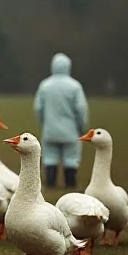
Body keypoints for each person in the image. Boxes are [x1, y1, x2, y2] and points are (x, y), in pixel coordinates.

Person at [34, 53, 89, 188]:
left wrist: (44, 123)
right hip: (70, 130)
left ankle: (50, 183)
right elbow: (81, 108)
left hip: (50, 129)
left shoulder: (45, 85)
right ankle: (70, 184)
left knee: (50, 157)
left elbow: (38, 108)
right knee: (71, 158)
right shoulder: (74, 86)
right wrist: (82, 127)